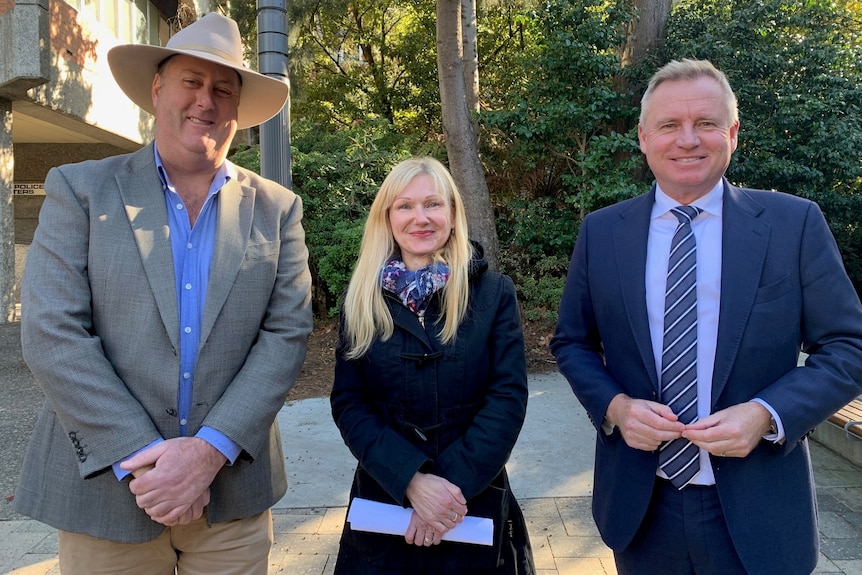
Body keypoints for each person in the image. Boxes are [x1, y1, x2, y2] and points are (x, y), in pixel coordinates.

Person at [13, 12, 312, 575]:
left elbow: (286, 334)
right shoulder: (80, 189)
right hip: (107, 494)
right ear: (157, 90)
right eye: (191, 82)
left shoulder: (277, 208)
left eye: (223, 89)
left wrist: (205, 453)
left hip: (232, 498)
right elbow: (52, 334)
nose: (207, 100)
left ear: (238, 108)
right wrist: (146, 460)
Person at [550, 59, 862, 575]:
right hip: (641, 504)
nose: (688, 140)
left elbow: (849, 347)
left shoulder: (793, 224)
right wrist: (617, 408)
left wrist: (766, 413)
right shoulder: (602, 233)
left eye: (706, 124)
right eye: (670, 125)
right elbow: (572, 342)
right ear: (644, 138)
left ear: (732, 133)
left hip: (759, 505)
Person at [329, 157, 536, 574]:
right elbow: (350, 403)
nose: (420, 218)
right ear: (387, 218)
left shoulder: (494, 294)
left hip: (472, 502)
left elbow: (507, 398)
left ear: (454, 214)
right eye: (405, 206)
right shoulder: (360, 299)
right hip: (384, 502)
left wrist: (445, 493)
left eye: (433, 204)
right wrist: (411, 480)